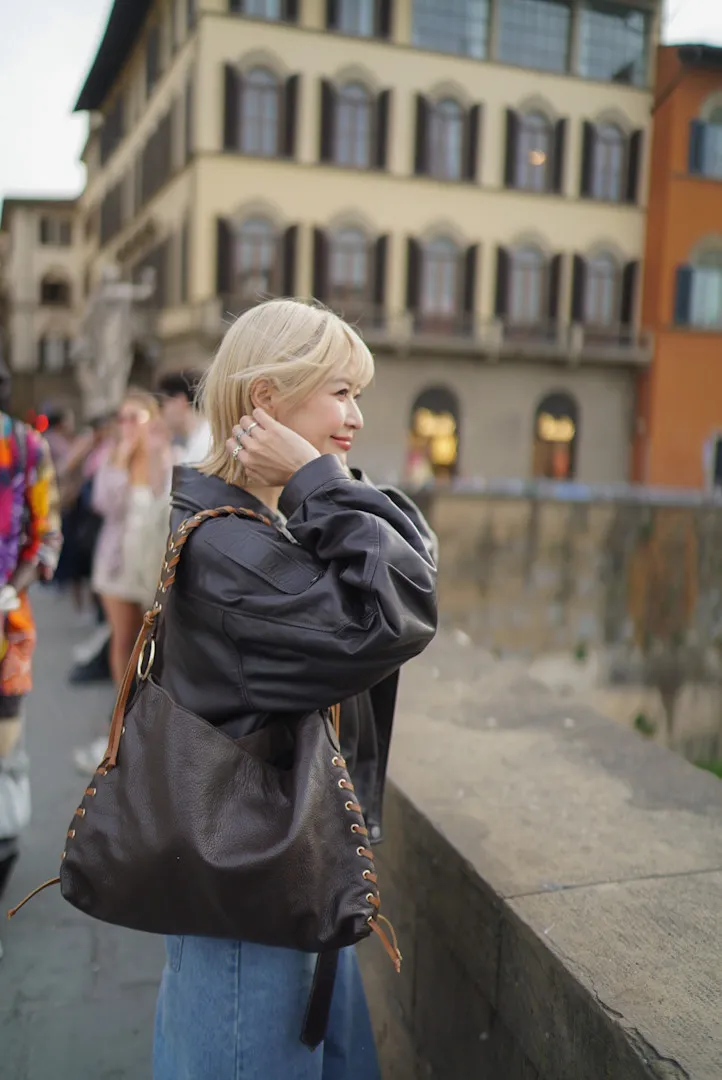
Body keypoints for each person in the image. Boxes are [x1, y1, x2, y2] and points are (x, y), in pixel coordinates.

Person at [151, 298, 437, 1079]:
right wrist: (318, 480)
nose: (356, 416)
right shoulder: (233, 548)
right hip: (252, 913)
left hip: (273, 885)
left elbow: (414, 556)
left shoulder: (254, 521)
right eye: (340, 392)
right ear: (266, 399)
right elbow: (398, 609)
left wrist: (316, 482)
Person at [72, 392, 172, 774]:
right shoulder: (115, 457)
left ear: (151, 419)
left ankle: (147, 719)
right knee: (124, 641)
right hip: (117, 565)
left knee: (153, 644)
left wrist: (156, 454)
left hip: (151, 564)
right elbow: (104, 504)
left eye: (135, 417)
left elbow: (167, 501)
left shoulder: (164, 453)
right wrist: (121, 458)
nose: (127, 424)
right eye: (123, 417)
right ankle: (122, 717)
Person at [0, 363, 62, 960]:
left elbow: (46, 539)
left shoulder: (22, 447)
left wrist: (9, 589)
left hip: (5, 635)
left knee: (3, 765)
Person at [157, 369, 211, 465]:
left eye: (164, 403)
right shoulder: (197, 440)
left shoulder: (205, 443)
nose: (162, 411)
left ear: (180, 401)